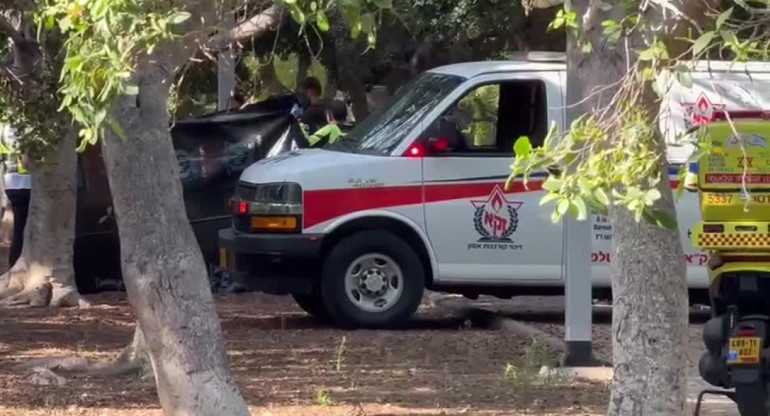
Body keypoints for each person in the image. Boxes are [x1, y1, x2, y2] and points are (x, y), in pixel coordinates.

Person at [1, 126, 30, 268]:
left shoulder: (3, 127)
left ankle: (14, 263)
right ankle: (18, 263)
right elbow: (26, 162)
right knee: (24, 228)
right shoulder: (22, 126)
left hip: (10, 182)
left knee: (19, 227)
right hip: (25, 182)